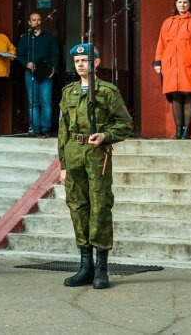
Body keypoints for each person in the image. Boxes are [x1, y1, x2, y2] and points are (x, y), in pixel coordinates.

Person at [58, 43, 133, 290]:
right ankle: (85, 266)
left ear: (96, 63)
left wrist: (105, 135)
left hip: (96, 154)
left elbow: (125, 123)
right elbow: (63, 131)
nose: (81, 65)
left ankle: (101, 268)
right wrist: (63, 165)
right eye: (77, 61)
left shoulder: (107, 91)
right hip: (74, 153)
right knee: (78, 208)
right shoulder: (68, 92)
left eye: (86, 60)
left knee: (100, 207)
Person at [153, 0, 191, 139]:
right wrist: (158, 61)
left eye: (185, 2)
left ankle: (187, 130)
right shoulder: (167, 22)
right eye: (179, 2)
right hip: (170, 65)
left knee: (189, 95)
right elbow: (161, 43)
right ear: (175, 4)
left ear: (190, 4)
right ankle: (178, 130)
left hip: (190, 63)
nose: (182, 5)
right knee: (175, 97)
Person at [16, 12, 60, 137]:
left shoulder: (49, 38)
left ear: (41, 21)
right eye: (33, 20)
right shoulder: (25, 38)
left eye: (39, 20)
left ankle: (46, 129)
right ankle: (35, 129)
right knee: (33, 102)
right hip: (30, 73)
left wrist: (53, 68)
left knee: (46, 101)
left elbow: (55, 54)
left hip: (46, 73)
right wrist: (26, 63)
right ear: (29, 22)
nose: (36, 22)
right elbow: (19, 55)